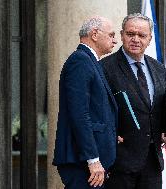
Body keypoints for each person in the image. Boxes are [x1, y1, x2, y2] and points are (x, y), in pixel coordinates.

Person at [100, 13, 166, 189]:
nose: (136, 39)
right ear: (121, 35)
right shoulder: (105, 68)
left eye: (142, 35)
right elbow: (95, 110)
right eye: (130, 34)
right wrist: (107, 135)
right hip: (119, 163)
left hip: (152, 162)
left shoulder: (159, 68)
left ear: (150, 39)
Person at [53, 16, 118, 189]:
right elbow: (79, 114)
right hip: (82, 161)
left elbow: (97, 111)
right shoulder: (80, 61)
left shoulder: (91, 61)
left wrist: (111, 135)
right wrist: (93, 159)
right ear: (95, 34)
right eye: (111, 35)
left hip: (90, 161)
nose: (115, 40)